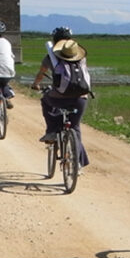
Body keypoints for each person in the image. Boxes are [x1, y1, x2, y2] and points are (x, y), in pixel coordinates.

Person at [31, 28, 91, 169]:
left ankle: (52, 131)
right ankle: (78, 163)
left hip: (59, 97)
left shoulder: (51, 57)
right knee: (75, 127)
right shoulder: (81, 58)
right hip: (80, 98)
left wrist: (36, 84)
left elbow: (41, 73)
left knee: (46, 101)